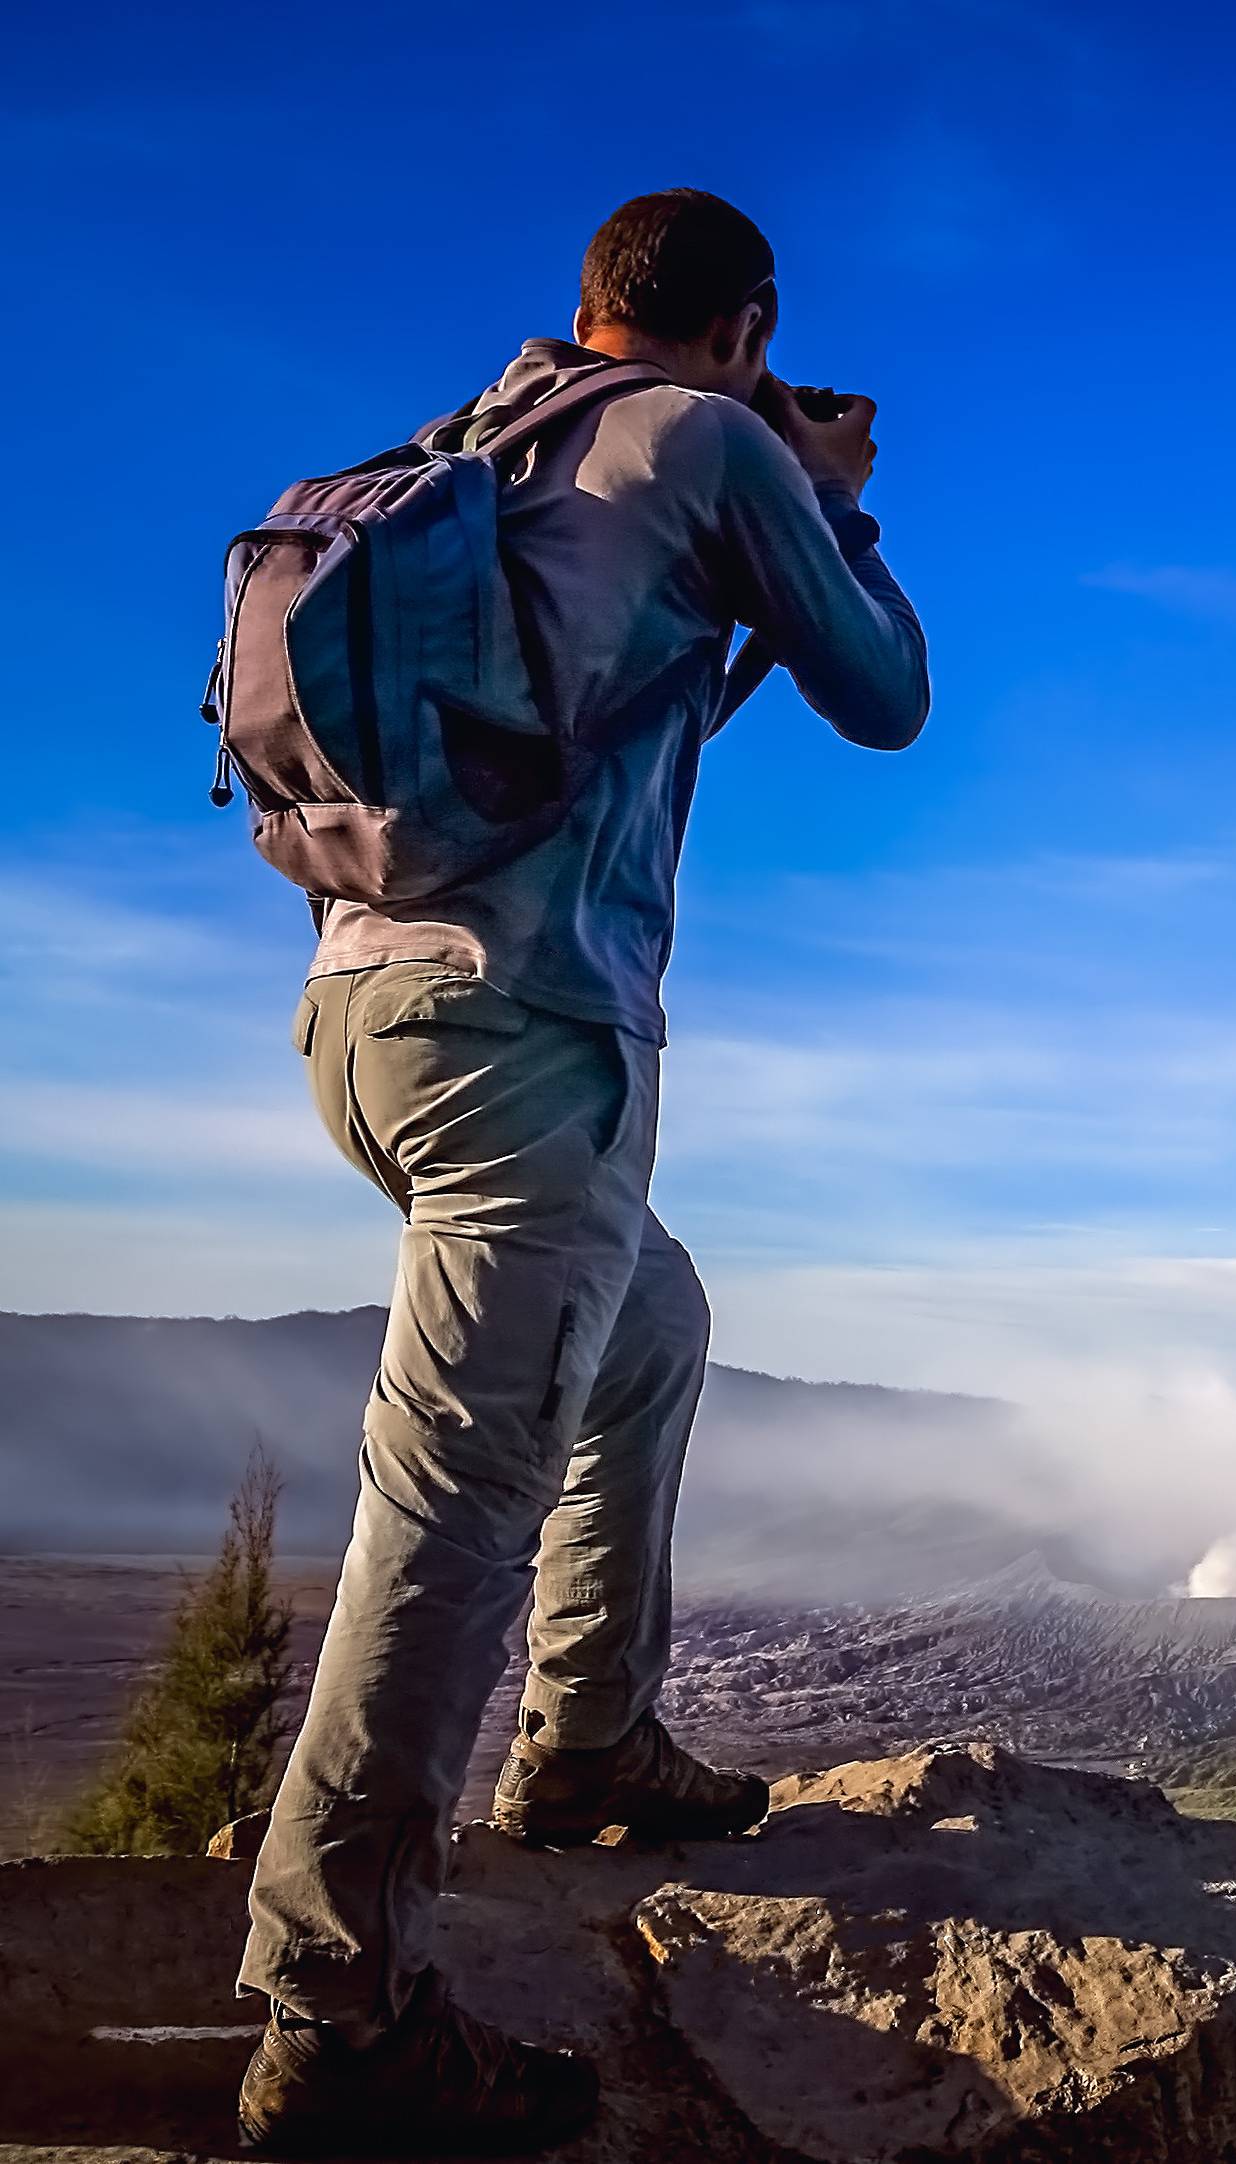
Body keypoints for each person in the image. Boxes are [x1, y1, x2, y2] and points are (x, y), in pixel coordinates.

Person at [233, 188, 929, 2155]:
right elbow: (887, 688)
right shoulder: (707, 439)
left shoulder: (482, 439)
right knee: (452, 1497)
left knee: (651, 1326)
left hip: (359, 1029)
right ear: (751, 322)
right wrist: (827, 487)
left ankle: (587, 1735)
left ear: (585, 308)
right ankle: (334, 2012)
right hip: (525, 1035)